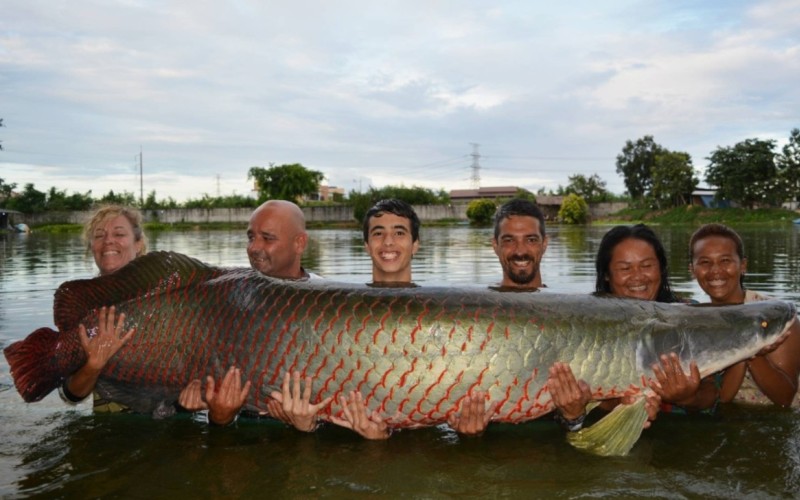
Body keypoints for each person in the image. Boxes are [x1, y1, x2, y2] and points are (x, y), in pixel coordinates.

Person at [178, 200, 331, 428]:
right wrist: (220, 416)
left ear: (299, 243)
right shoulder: (227, 297)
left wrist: (311, 423)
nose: (253, 247)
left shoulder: (327, 300)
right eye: (251, 237)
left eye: (267, 238)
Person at [689, 223, 800, 407]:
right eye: (704, 262)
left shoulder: (776, 316)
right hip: (730, 419)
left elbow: (785, 398)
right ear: (692, 270)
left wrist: (751, 348)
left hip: (776, 423)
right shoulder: (696, 320)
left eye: (725, 260)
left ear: (743, 265)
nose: (715, 270)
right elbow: (722, 398)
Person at [59, 205, 147, 411]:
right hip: (108, 431)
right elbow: (69, 396)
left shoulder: (170, 294)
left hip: (168, 431)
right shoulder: (82, 304)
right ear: (92, 247)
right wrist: (93, 366)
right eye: (99, 235)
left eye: (119, 233)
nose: (108, 241)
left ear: (139, 244)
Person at [492, 198, 549, 289]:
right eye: (509, 241)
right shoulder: (475, 302)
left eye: (531, 240)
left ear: (544, 244)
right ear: (495, 246)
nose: (520, 252)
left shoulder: (568, 301)